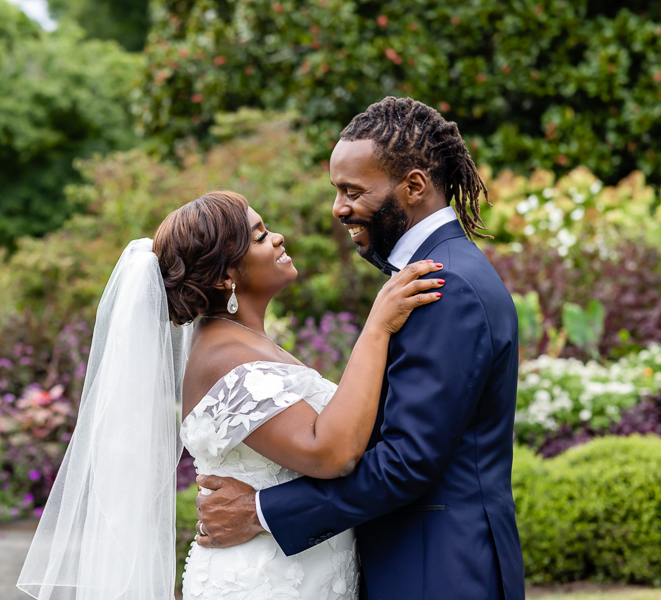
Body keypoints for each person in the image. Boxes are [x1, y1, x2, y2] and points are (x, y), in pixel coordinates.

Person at [17, 186, 443, 600]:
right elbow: (330, 453)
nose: (277, 237)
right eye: (259, 236)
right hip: (265, 581)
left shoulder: (243, 343)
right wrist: (377, 327)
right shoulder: (224, 358)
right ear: (225, 275)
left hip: (302, 569)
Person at [194, 97, 526, 600]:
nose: (339, 208)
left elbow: (407, 462)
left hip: (436, 571)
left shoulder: (444, 285)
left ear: (413, 186)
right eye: (336, 191)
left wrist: (261, 511)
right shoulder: (427, 276)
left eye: (353, 191)